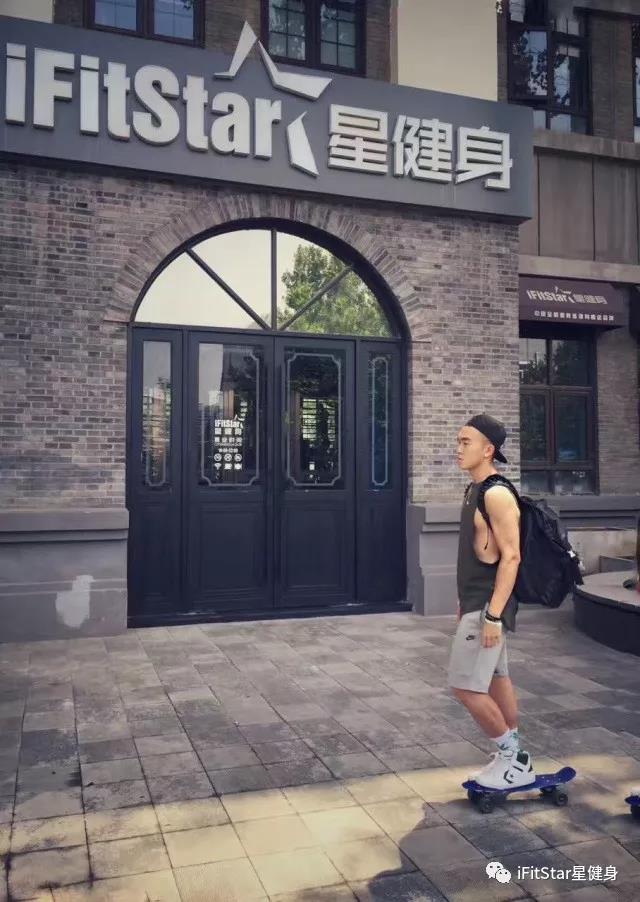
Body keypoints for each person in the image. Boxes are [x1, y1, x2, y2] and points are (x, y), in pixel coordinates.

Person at [447, 413, 535, 789]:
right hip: (476, 602)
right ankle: (514, 758)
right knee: (498, 679)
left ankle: (512, 760)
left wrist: (493, 616)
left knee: (465, 687)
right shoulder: (475, 489)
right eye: (458, 441)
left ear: (488, 450)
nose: (458, 448)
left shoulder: (496, 494)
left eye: (465, 442)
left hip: (489, 606)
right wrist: (463, 601)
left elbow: (511, 557)